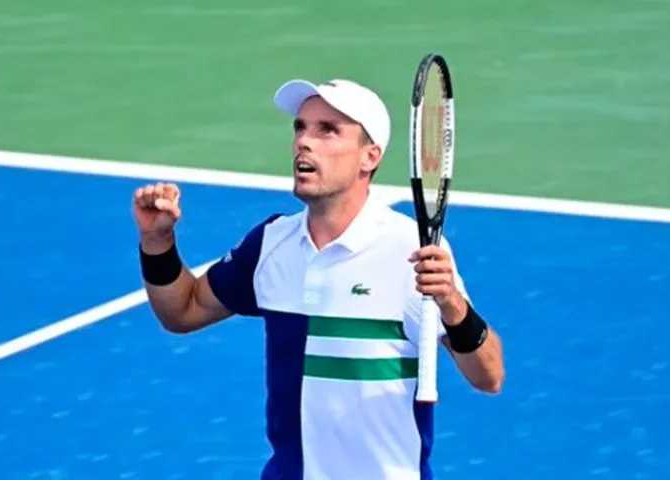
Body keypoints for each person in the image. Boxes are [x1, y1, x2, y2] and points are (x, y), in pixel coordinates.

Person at [132, 78, 505, 479]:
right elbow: (182, 311)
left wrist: (452, 306)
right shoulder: (271, 244)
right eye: (300, 128)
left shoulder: (409, 251)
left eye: (327, 130)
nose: (304, 142)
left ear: (369, 157)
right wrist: (158, 242)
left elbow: (489, 376)